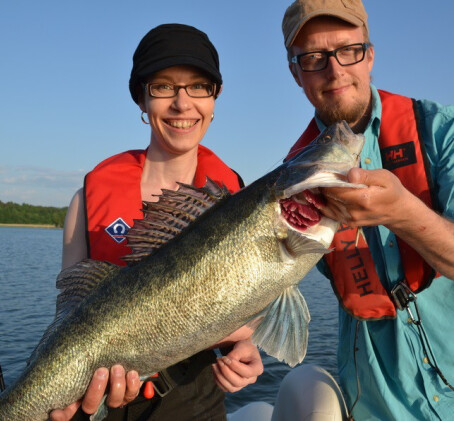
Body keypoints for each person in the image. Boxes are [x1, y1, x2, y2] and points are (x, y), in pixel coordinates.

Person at [50, 23, 263, 421]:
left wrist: (244, 349)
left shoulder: (235, 200)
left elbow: (245, 313)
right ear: (142, 100)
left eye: (199, 86)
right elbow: (69, 317)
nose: (183, 104)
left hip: (194, 399)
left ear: (215, 98)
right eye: (164, 86)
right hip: (98, 401)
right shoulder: (86, 199)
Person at [271, 0, 454, 420]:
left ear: (369, 54)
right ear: (295, 73)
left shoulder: (441, 131)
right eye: (314, 58)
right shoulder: (292, 187)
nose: (335, 71)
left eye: (348, 50)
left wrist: (402, 212)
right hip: (376, 406)